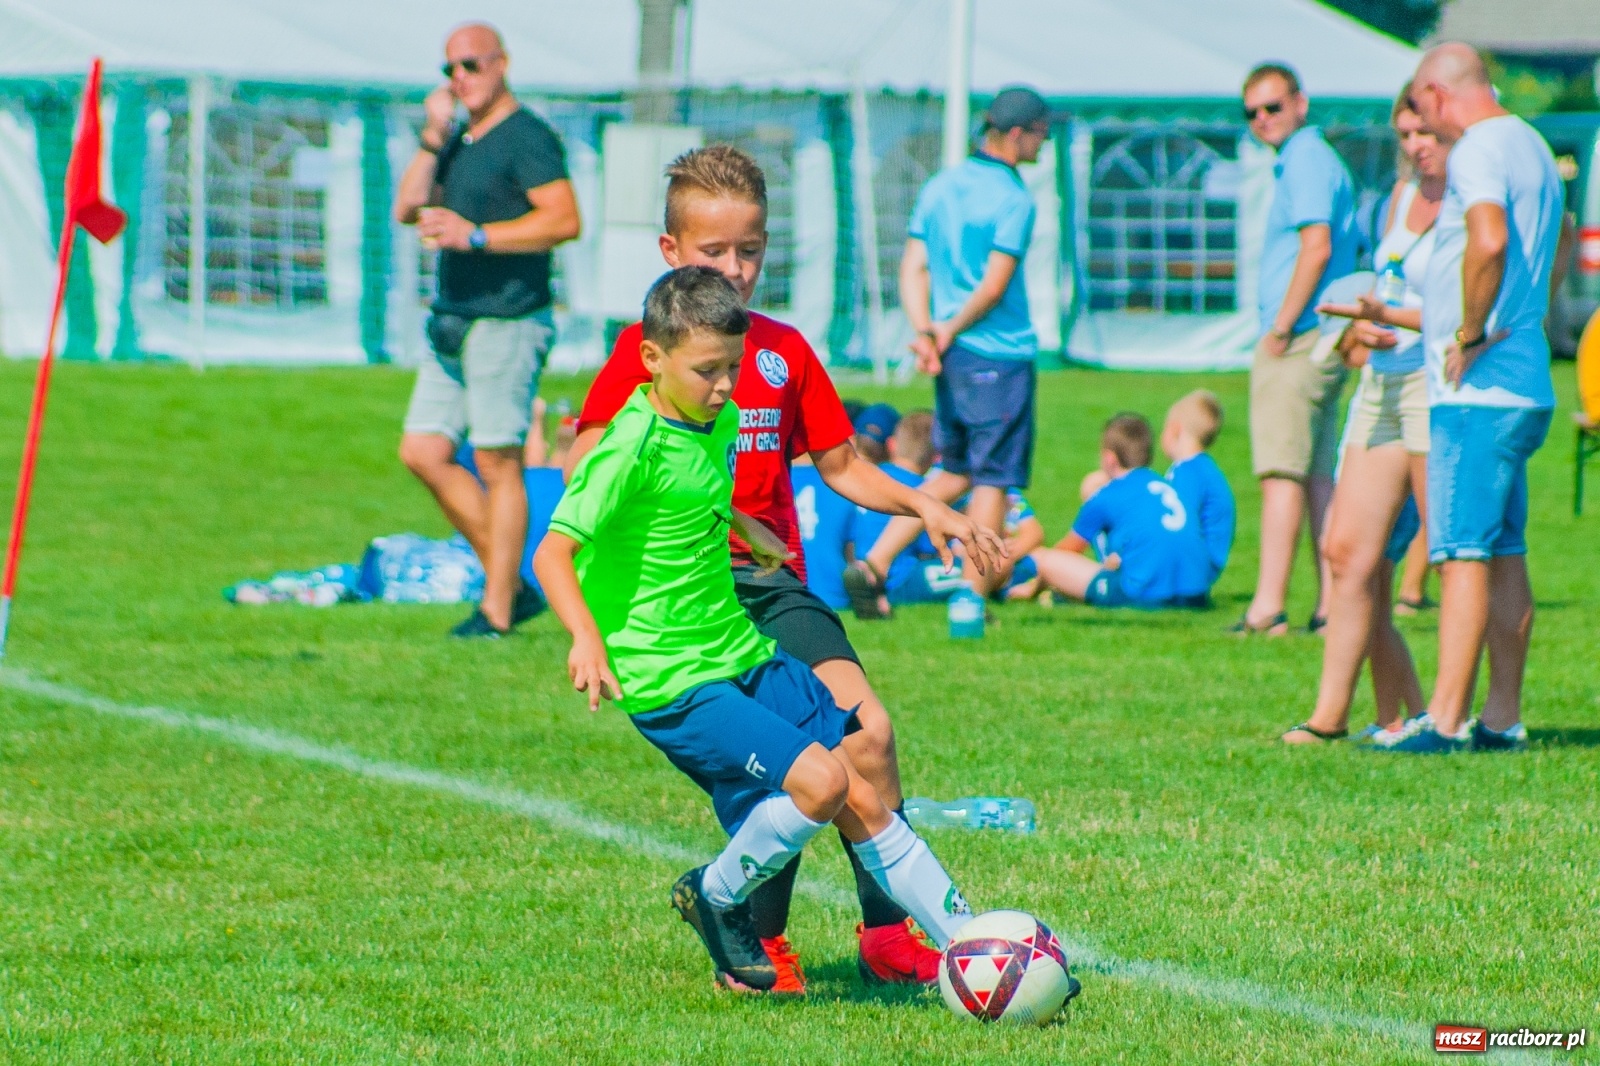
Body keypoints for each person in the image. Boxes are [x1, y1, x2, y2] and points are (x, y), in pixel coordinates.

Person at [566, 146, 1003, 991]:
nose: (736, 269)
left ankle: (887, 935)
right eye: (715, 252)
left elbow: (842, 466)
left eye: (752, 250)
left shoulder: (782, 351)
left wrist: (928, 506)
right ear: (671, 252)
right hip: (689, 599)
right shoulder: (653, 354)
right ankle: (758, 941)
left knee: (867, 734)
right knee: (791, 765)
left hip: (770, 585)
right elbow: (590, 466)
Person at [1375, 43, 1570, 754]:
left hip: (1478, 393)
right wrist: (1524, 316)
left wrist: (1470, 329)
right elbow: (1558, 244)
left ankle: (1447, 721)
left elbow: (1487, 240)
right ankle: (1501, 718)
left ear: (1435, 92)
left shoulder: (1479, 149)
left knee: (1460, 555)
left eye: (1420, 105)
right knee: (1505, 551)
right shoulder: (1532, 143)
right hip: (1525, 384)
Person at [393, 22, 581, 638]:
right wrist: (432, 135)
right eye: (450, 68)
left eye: (471, 65)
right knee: (422, 452)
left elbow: (564, 220)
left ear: (502, 63)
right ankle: (516, 583)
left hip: (509, 318)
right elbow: (406, 208)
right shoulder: (458, 138)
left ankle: (497, 609)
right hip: (453, 318)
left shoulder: (527, 137)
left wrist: (475, 236)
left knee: (498, 461)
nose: (460, 78)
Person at [847, 86, 1051, 615]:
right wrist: (946, 330)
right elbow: (994, 286)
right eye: (1041, 133)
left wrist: (926, 331)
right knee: (993, 479)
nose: (1044, 143)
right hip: (997, 353)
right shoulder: (1014, 199)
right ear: (1015, 134)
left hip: (952, 356)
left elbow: (913, 266)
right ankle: (969, 600)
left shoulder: (940, 185)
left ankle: (874, 563)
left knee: (955, 470)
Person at [1285, 89, 1445, 743]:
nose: (1414, 146)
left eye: (1425, 132)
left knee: (1446, 554)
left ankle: (1443, 718)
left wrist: (1392, 318)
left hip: (1435, 383)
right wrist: (1372, 325)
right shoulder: (1402, 197)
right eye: (1404, 134)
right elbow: (1394, 286)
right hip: (1383, 381)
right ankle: (1335, 718)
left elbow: (1474, 309)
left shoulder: (1474, 200)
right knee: (1347, 553)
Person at [1234, 62, 1361, 636]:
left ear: (1300, 103)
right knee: (1315, 475)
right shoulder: (1314, 158)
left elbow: (1317, 246)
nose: (1262, 119)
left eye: (1273, 106)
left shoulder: (1306, 159)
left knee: (1282, 471)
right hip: (1325, 331)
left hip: (1302, 333)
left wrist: (1282, 326)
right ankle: (1333, 604)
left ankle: (1268, 608)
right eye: (1252, 112)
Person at [1030, 414, 1214, 609]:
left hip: (1146, 595)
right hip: (1197, 595)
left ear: (1109, 458)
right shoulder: (1166, 486)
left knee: (1045, 559)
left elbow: (1066, 551)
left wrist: (1036, 584)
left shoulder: (1106, 495)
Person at [1162, 390, 1237, 588]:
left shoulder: (1188, 473)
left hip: (1190, 569)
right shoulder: (1204, 469)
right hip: (1202, 566)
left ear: (1175, 429)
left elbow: (1178, 523)